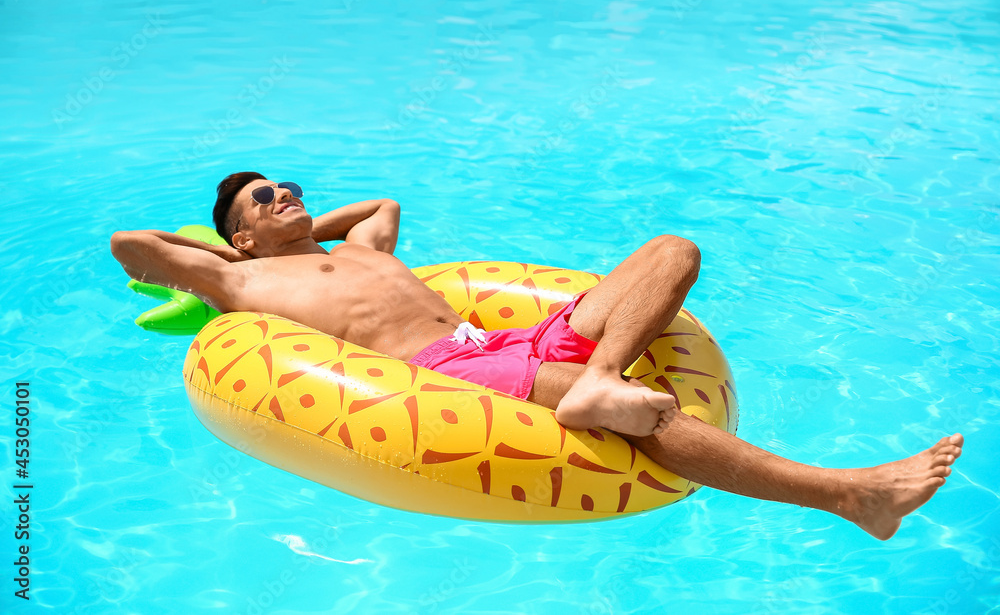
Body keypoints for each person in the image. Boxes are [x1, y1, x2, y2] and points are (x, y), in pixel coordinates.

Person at [110, 172, 963, 540]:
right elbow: (129, 243)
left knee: (673, 251)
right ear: (240, 232)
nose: (285, 192)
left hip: (514, 338)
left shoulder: (366, 249)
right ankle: (853, 494)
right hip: (449, 368)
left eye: (288, 183)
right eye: (265, 196)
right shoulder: (242, 287)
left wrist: (298, 225)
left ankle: (595, 379)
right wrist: (233, 254)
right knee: (648, 414)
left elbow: (383, 202)